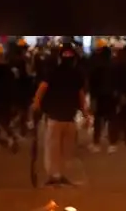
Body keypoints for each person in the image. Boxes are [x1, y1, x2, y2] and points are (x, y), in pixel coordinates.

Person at [31, 42, 87, 186]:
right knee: (61, 149)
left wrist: (36, 103)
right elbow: (80, 95)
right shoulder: (73, 73)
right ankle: (57, 175)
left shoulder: (55, 71)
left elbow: (42, 88)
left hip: (59, 116)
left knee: (56, 148)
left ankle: (56, 175)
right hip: (65, 117)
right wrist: (85, 113)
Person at [87, 38, 113, 152]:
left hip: (98, 94)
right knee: (111, 118)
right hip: (110, 94)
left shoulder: (94, 62)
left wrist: (91, 94)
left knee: (98, 118)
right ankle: (112, 143)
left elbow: (92, 79)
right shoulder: (112, 62)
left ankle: (96, 143)